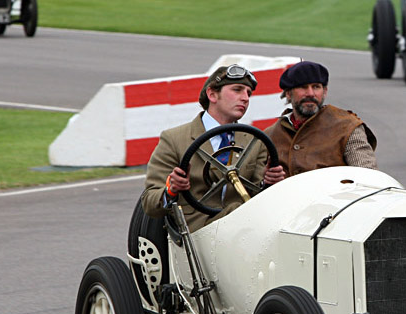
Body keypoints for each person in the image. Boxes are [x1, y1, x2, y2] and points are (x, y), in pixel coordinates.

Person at [141, 64, 286, 232]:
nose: (245, 98)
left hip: (243, 228)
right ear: (212, 94)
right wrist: (171, 190)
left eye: (248, 93)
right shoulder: (174, 139)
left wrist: (268, 183)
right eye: (237, 90)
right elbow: (150, 203)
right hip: (195, 231)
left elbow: (257, 197)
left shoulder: (254, 141)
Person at [264, 60, 378, 176]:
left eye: (316, 87)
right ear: (288, 93)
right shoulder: (269, 135)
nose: (310, 93)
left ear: (324, 92)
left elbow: (367, 176)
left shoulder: (348, 127)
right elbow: (252, 183)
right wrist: (266, 181)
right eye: (303, 87)